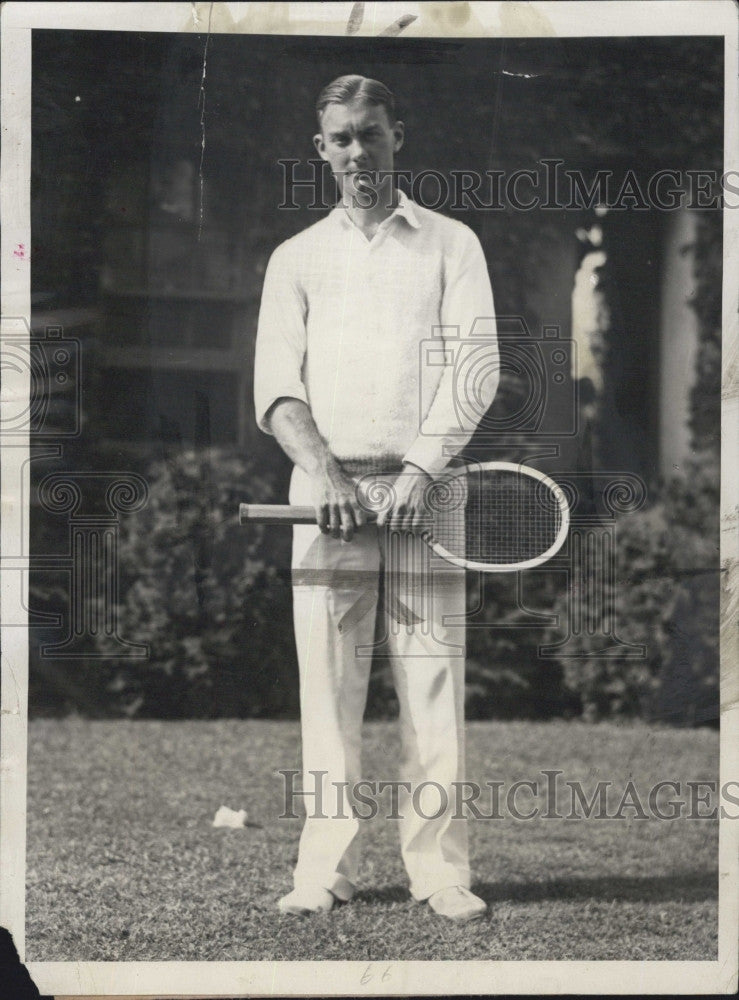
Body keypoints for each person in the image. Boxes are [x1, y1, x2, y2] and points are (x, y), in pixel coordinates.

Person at [254, 75, 498, 922]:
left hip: (429, 495)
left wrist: (421, 473)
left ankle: (439, 872)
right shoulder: (296, 258)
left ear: (401, 135)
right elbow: (279, 389)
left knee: (432, 684)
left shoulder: (451, 245)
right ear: (321, 150)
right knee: (327, 687)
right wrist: (326, 475)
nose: (360, 152)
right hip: (326, 497)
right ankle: (325, 869)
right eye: (342, 139)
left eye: (373, 134)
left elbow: (475, 372)